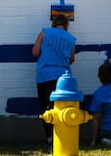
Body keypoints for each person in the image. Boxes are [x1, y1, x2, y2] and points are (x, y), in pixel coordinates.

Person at [32, 14, 75, 144]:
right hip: (63, 77)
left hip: (44, 75)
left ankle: (50, 137)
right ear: (66, 25)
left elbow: (35, 52)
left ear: (54, 23)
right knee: (61, 107)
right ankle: (61, 135)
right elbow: (71, 59)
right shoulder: (71, 39)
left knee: (46, 107)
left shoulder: (45, 32)